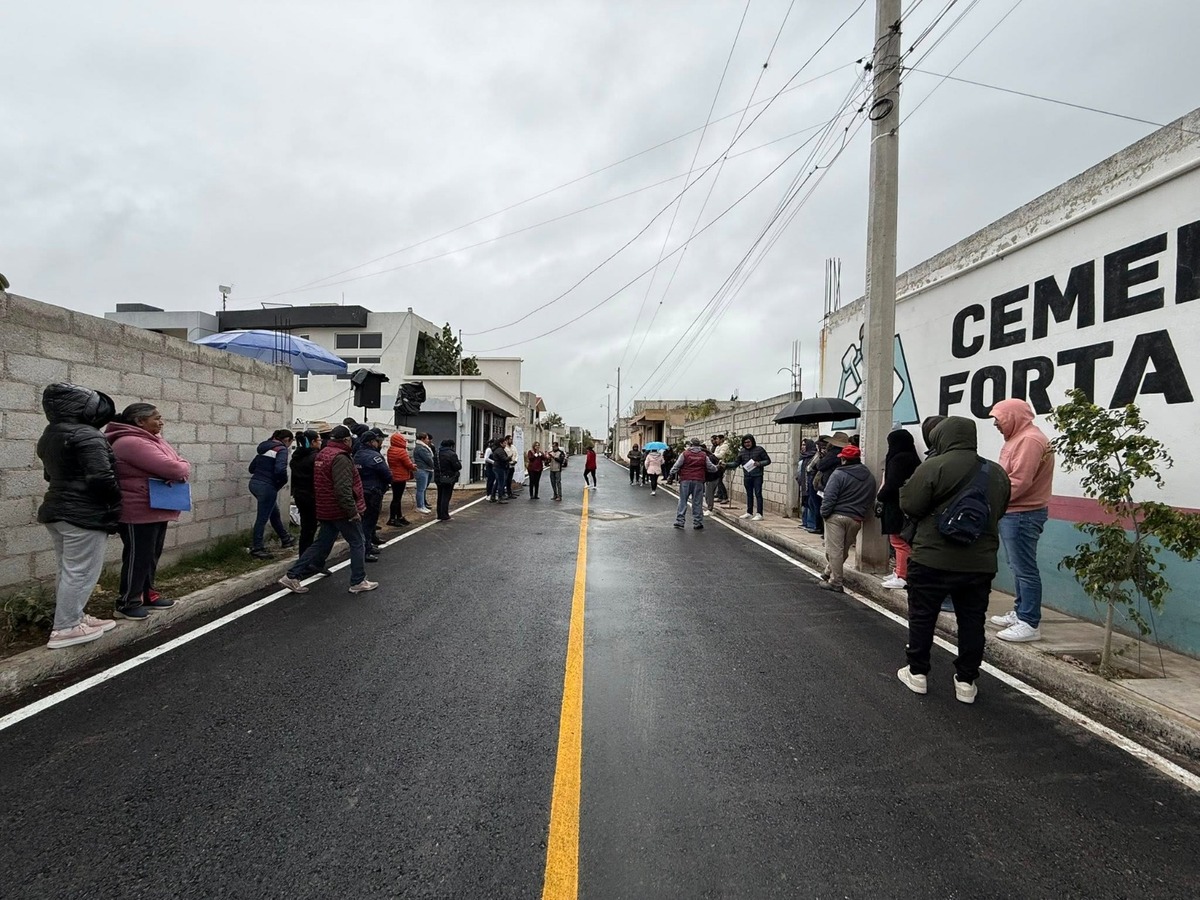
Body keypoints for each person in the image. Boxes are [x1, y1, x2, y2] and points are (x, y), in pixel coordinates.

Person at [898, 417, 1011, 703]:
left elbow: (910, 504)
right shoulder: (996, 473)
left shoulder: (932, 466)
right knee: (972, 621)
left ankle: (918, 673)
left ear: (942, 437)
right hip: (978, 563)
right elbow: (998, 511)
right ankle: (966, 681)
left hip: (931, 558)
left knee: (923, 616)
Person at [36, 384, 121, 648]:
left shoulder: (50, 434)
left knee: (69, 570)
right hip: (83, 513)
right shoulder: (87, 435)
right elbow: (101, 477)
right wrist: (115, 502)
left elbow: (49, 475)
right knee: (81, 572)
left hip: (57, 509)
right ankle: (66, 627)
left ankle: (75, 616)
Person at [105, 403, 191, 619]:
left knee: (151, 555)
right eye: (156, 418)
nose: (161, 422)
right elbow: (174, 468)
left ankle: (147, 594)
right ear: (140, 421)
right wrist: (179, 467)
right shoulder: (130, 442)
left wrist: (179, 466)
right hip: (137, 509)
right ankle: (127, 602)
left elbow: (176, 462)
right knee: (139, 556)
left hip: (156, 505)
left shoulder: (153, 439)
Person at [279, 425, 377, 594]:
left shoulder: (322, 454)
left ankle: (292, 575)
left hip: (325, 507)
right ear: (346, 440)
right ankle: (358, 580)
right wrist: (352, 511)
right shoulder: (340, 458)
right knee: (358, 542)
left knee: (321, 543)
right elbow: (342, 489)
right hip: (340, 509)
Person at [989, 398, 1055, 643]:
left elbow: (1019, 481)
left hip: (1022, 513)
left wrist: (992, 501)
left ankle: (1029, 621)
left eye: (998, 419)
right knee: (1018, 566)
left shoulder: (1029, 441)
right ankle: (1021, 612)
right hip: (1015, 512)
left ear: (1012, 417)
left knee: (1024, 568)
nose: (995, 424)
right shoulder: (1019, 438)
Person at [817, 444, 878, 593]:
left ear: (844, 459)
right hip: (856, 519)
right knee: (843, 550)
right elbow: (870, 498)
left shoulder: (839, 474)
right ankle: (828, 571)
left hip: (836, 517)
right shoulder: (869, 477)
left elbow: (830, 496)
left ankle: (836, 582)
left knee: (834, 551)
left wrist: (824, 513)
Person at [876, 429, 922, 590]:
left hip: (896, 506)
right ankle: (898, 571)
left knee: (898, 541)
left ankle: (902, 575)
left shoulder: (899, 459)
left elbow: (892, 484)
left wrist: (881, 496)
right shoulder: (912, 457)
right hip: (905, 505)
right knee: (900, 540)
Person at [248, 428, 295, 559]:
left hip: (254, 484)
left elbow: (251, 469)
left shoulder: (264, 448)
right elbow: (280, 469)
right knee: (262, 518)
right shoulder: (281, 449)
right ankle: (257, 548)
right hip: (267, 487)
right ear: (287, 440)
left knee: (274, 513)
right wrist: (281, 482)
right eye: (290, 442)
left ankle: (285, 538)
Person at [354, 429, 392, 554]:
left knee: (364, 520)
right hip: (372, 491)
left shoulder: (357, 454)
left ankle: (367, 544)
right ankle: (366, 549)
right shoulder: (374, 456)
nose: (378, 442)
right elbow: (386, 474)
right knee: (369, 521)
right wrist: (389, 480)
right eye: (376, 440)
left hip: (359, 490)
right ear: (371, 442)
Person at [670, 437, 717, 529]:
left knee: (683, 500)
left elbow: (677, 465)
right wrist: (717, 468)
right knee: (697, 502)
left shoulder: (685, 454)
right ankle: (697, 522)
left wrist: (671, 473)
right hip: (698, 480)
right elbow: (711, 467)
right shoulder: (703, 455)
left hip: (685, 480)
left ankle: (680, 521)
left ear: (691, 445)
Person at [290, 430, 322, 554]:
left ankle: (303, 554)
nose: (320, 442)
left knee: (306, 528)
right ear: (313, 442)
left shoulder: (296, 457)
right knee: (311, 528)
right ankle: (307, 557)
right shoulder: (315, 457)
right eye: (318, 440)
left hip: (299, 495)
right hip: (311, 496)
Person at [736, 435, 771, 520]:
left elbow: (768, 460)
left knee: (758, 494)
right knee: (749, 494)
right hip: (747, 476)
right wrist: (726, 465)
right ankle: (749, 512)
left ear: (752, 441)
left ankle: (759, 513)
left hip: (757, 476)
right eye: (745, 443)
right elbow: (736, 463)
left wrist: (759, 463)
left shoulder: (759, 449)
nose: (747, 444)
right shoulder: (742, 451)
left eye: (748, 442)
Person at [386, 430, 415, 526]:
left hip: (393, 476)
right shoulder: (401, 451)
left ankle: (398, 516)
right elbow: (408, 464)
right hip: (401, 477)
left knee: (396, 498)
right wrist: (413, 467)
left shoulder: (390, 450)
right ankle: (393, 518)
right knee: (397, 499)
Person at [435, 438, 462, 520]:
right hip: (449, 478)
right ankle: (444, 514)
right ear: (451, 446)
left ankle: (439, 514)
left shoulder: (437, 454)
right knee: (446, 496)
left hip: (438, 477)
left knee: (440, 495)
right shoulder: (452, 454)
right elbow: (457, 466)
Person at [796, 438, 818, 530]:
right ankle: (805, 522)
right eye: (802, 445)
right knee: (805, 503)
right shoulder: (803, 457)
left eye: (804, 445)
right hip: (804, 484)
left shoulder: (813, 457)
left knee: (810, 504)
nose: (802, 447)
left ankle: (811, 524)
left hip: (810, 484)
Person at [412, 432, 435, 514]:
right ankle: (420, 506)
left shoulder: (422, 447)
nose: (428, 440)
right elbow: (428, 459)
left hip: (425, 469)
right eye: (427, 438)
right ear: (422, 439)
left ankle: (422, 505)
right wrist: (434, 465)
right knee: (421, 489)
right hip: (422, 469)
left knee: (422, 489)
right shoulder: (421, 448)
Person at [703, 439, 727, 511]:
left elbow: (712, 468)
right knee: (708, 494)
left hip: (712, 477)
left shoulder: (709, 458)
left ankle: (710, 509)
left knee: (709, 494)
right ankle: (711, 505)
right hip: (713, 476)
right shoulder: (710, 456)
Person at [490, 438, 511, 503]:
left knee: (497, 482)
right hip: (499, 467)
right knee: (501, 483)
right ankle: (500, 497)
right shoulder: (500, 450)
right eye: (504, 443)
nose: (505, 444)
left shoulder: (498, 449)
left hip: (497, 467)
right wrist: (509, 458)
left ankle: (493, 497)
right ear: (501, 443)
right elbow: (504, 459)